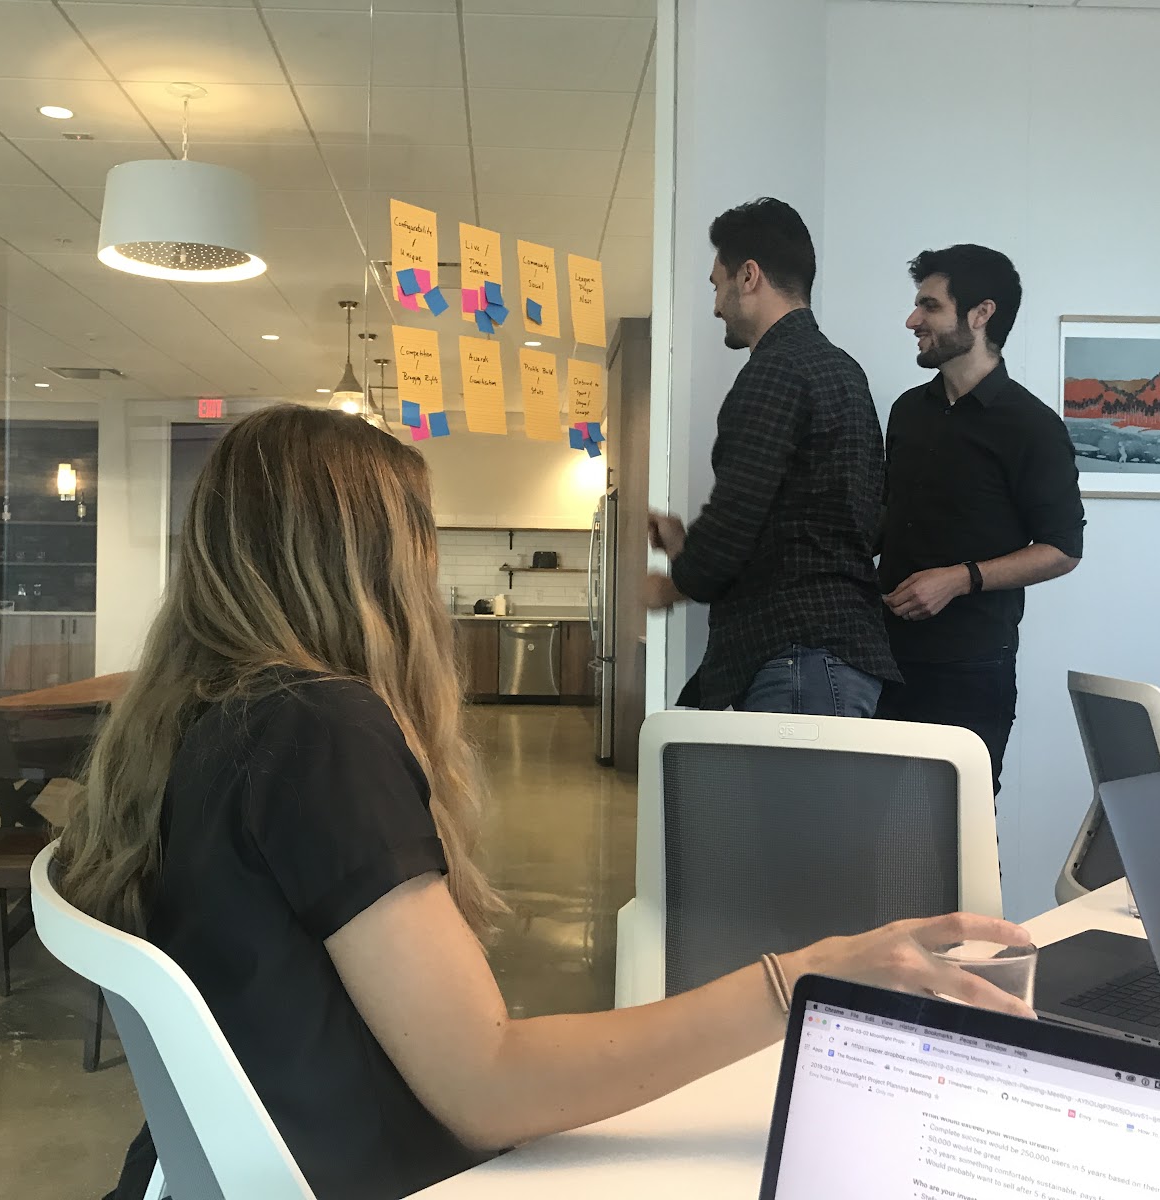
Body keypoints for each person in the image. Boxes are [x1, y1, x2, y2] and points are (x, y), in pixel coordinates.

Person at [56, 405, 1032, 1200]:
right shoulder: (316, 728)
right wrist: (798, 980)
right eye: (418, 538)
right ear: (369, 559)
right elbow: (487, 1085)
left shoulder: (195, 716)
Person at [644, 198, 898, 716]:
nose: (715, 305)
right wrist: (686, 547)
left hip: (799, 659)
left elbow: (738, 514)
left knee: (798, 802)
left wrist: (674, 584)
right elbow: (854, 523)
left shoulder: (775, 371)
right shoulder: (842, 370)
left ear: (749, 275)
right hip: (830, 655)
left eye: (717, 284)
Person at [876, 245, 1085, 788]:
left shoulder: (1032, 426)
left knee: (955, 842)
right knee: (877, 837)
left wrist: (959, 579)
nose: (912, 320)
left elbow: (1063, 548)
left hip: (970, 668)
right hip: (881, 656)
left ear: (980, 314)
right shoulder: (906, 411)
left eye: (929, 306)